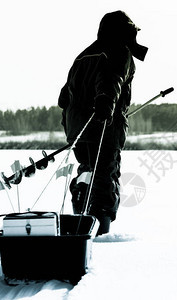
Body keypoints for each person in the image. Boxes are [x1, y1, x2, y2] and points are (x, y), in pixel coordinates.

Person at [57, 11, 148, 235]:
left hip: (77, 129)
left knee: (87, 171)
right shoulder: (118, 51)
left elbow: (63, 97)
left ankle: (81, 217)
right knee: (105, 176)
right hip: (103, 126)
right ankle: (100, 230)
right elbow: (111, 80)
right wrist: (105, 105)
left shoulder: (84, 55)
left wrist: (73, 122)